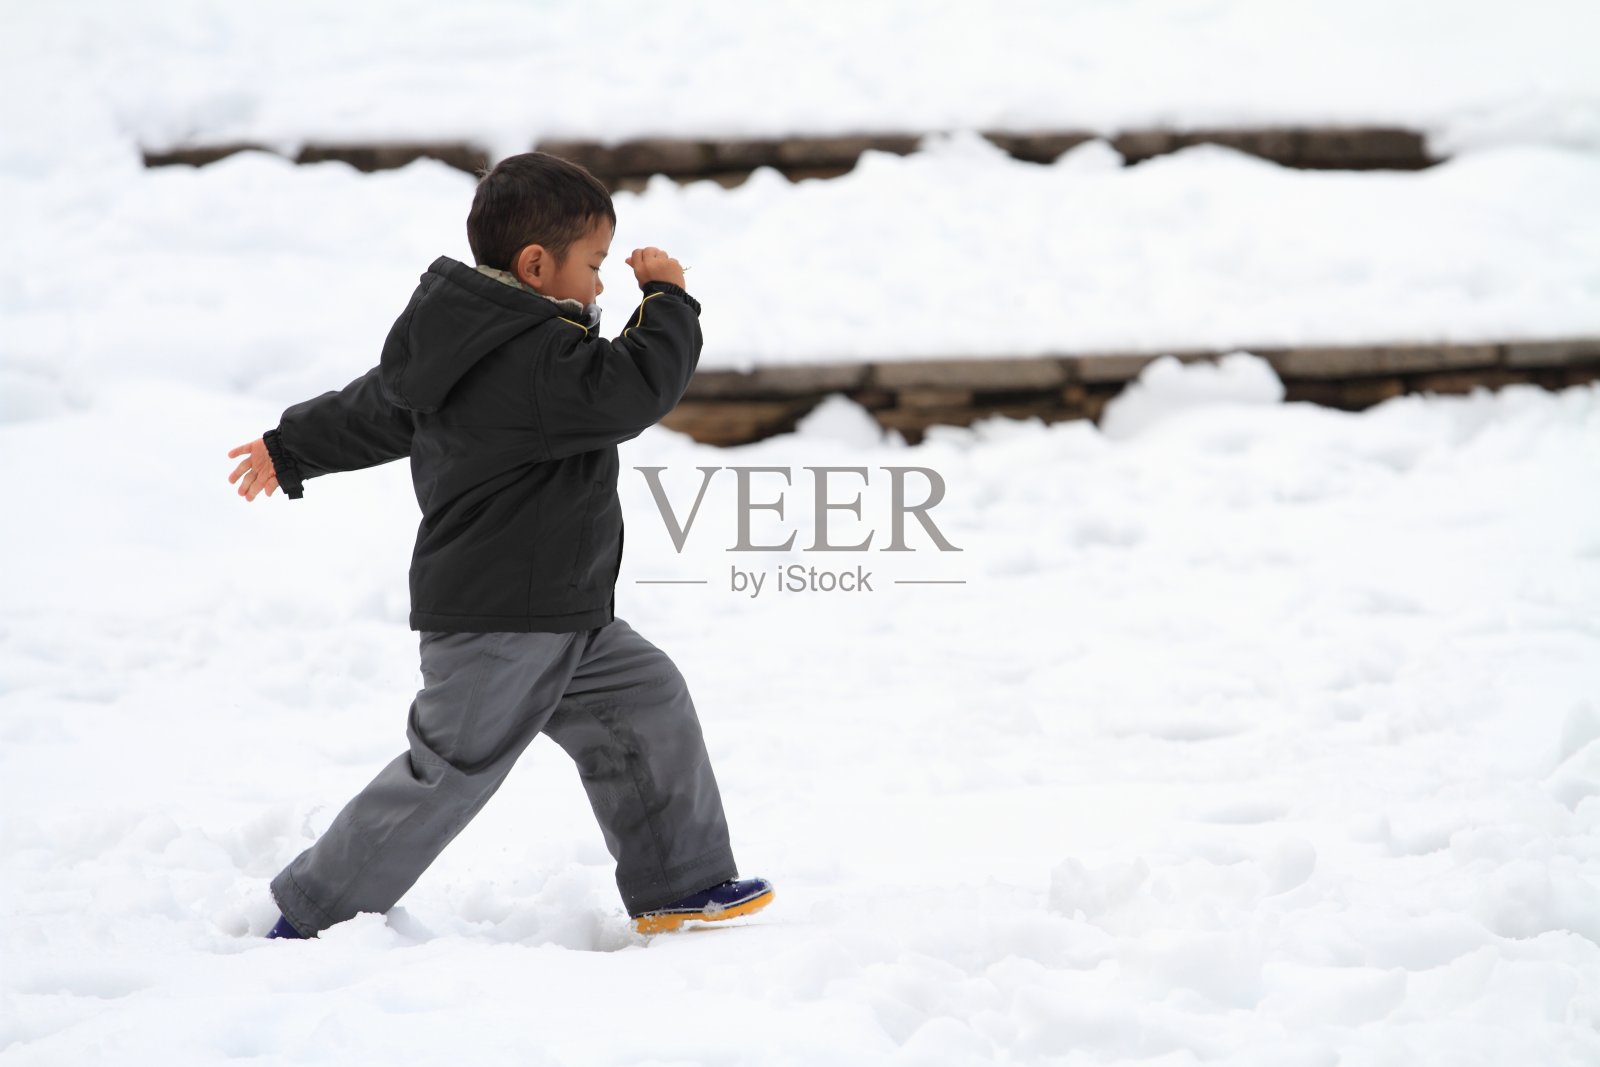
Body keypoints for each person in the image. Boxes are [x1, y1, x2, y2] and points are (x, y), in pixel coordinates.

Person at [225, 151, 771, 939]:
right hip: (502, 621)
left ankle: (681, 882)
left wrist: (294, 445)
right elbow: (629, 389)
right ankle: (311, 909)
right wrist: (669, 300)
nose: (601, 284)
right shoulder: (536, 355)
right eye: (593, 265)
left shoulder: (467, 344)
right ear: (537, 263)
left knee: (645, 701)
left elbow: (379, 406)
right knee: (446, 772)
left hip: (560, 610)